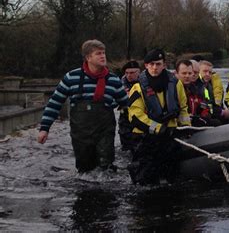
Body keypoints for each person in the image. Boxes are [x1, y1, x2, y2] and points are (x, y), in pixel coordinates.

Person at [37, 39, 128, 173]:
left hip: (105, 133)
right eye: (98, 53)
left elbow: (126, 104)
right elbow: (55, 103)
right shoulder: (71, 77)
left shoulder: (113, 80)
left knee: (106, 168)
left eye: (104, 53)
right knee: (85, 170)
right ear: (88, 57)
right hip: (81, 135)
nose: (103, 56)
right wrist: (44, 128)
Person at [127, 48, 191, 185]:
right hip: (146, 139)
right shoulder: (137, 88)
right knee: (146, 180)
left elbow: (183, 109)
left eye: (158, 64)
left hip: (169, 136)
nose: (154, 67)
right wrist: (158, 128)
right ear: (146, 66)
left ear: (164, 65)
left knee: (172, 178)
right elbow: (135, 117)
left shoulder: (176, 84)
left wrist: (186, 127)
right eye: (151, 64)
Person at [118, 60, 141, 152]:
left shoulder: (145, 81)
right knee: (126, 146)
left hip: (141, 115)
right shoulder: (121, 83)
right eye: (126, 73)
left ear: (139, 72)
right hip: (125, 116)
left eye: (132, 73)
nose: (129, 75)